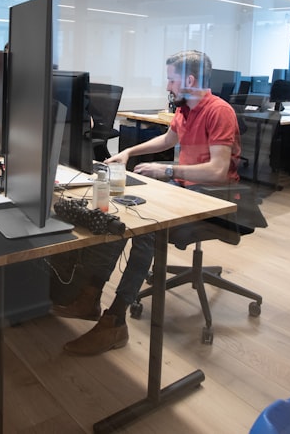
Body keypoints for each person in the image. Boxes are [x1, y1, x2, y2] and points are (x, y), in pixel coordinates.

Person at [56, 50, 242, 355]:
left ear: (190, 80)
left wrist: (166, 169)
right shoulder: (186, 106)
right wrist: (130, 153)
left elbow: (218, 170)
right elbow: (168, 140)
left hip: (215, 197)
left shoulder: (218, 111)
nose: (167, 86)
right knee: (119, 216)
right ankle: (89, 297)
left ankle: (115, 320)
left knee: (145, 230)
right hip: (184, 188)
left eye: (171, 79)